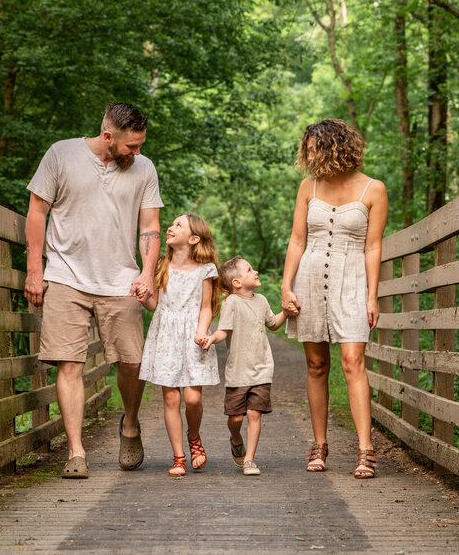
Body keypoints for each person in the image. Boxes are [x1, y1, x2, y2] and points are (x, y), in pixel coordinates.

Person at [25, 102, 163, 479]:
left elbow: (150, 225)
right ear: (108, 136)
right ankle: (76, 452)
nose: (137, 153)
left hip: (121, 279)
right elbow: (37, 210)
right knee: (69, 362)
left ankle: (130, 424)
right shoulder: (61, 154)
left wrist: (148, 273)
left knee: (133, 362)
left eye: (140, 146)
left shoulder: (144, 168)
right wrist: (34, 270)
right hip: (66, 275)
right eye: (131, 146)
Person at [280, 118, 388, 479]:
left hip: (353, 277)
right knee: (316, 365)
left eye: (314, 148)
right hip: (310, 277)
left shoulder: (373, 190)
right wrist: (286, 285)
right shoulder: (307, 187)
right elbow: (297, 240)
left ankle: (364, 449)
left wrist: (373, 296)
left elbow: (373, 246)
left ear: (336, 147)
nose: (308, 155)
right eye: (307, 149)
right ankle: (319, 445)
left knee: (352, 360)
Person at [137, 213, 221, 477]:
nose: (170, 228)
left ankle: (194, 436)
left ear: (194, 238)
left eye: (178, 225)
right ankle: (179, 457)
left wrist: (201, 332)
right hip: (166, 337)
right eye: (171, 224)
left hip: (193, 334)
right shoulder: (161, 265)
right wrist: (144, 299)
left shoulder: (205, 269)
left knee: (192, 398)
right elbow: (156, 306)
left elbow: (206, 307)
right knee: (171, 397)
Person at [198, 256, 288, 476]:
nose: (255, 271)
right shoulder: (232, 303)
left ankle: (249, 459)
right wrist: (210, 338)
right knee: (236, 418)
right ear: (237, 282)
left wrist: (286, 312)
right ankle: (236, 438)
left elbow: (273, 324)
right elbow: (223, 331)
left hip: (262, 369)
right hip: (238, 372)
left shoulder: (262, 301)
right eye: (249, 270)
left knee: (254, 413)